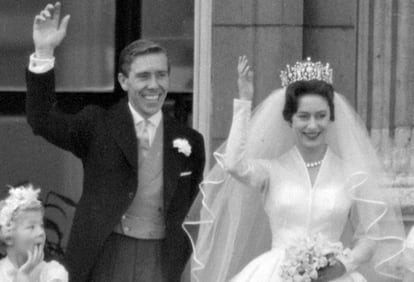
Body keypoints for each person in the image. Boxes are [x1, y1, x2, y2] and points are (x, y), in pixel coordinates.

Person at [25, 2, 205, 282]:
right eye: (143, 76)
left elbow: (191, 212)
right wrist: (44, 51)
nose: (154, 85)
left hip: (162, 260)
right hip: (106, 254)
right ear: (123, 80)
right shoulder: (98, 125)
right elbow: (42, 119)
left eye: (161, 75)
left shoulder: (190, 141)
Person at [183, 57, 405, 282]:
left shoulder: (351, 174)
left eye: (320, 116)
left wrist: (344, 264)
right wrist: (244, 101)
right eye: (303, 116)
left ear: (331, 118)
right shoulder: (271, 171)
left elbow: (369, 236)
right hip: (276, 274)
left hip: (333, 275)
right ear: (290, 119)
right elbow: (233, 164)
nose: (312, 125)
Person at [0, 184, 68, 282]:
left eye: (41, 225)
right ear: (9, 238)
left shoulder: (52, 272)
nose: (40, 232)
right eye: (31, 227)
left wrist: (23, 276)